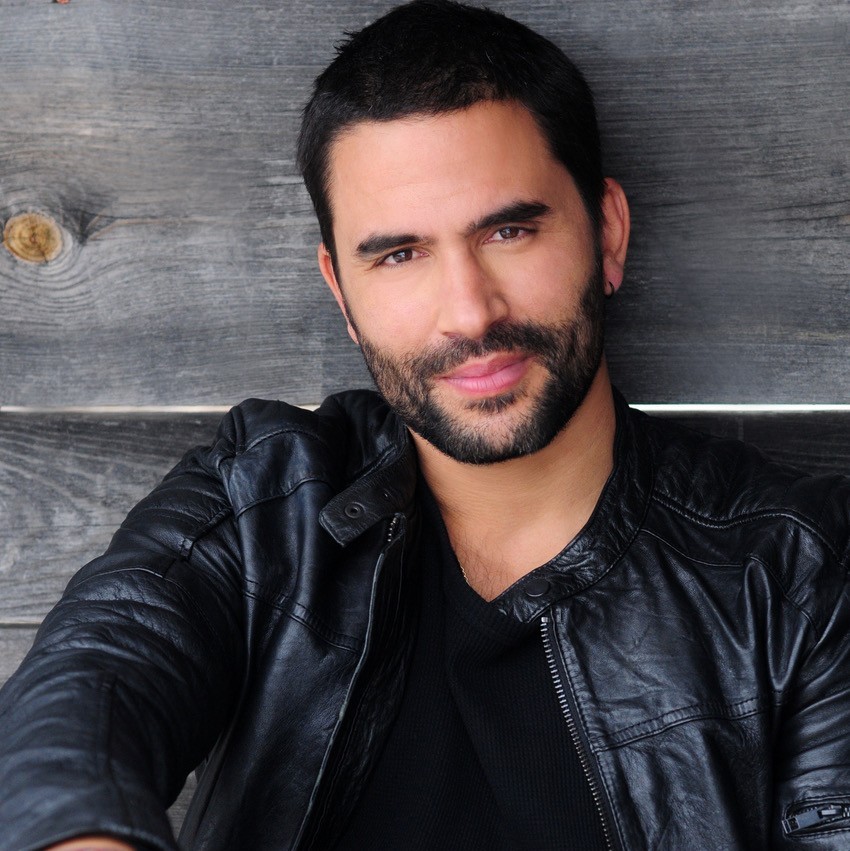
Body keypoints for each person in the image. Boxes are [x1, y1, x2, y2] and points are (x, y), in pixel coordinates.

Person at [2, 1, 849, 849]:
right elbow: (82, 694)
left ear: (608, 233)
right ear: (342, 292)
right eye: (400, 254)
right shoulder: (265, 504)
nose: (469, 313)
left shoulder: (798, 570)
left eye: (509, 231)